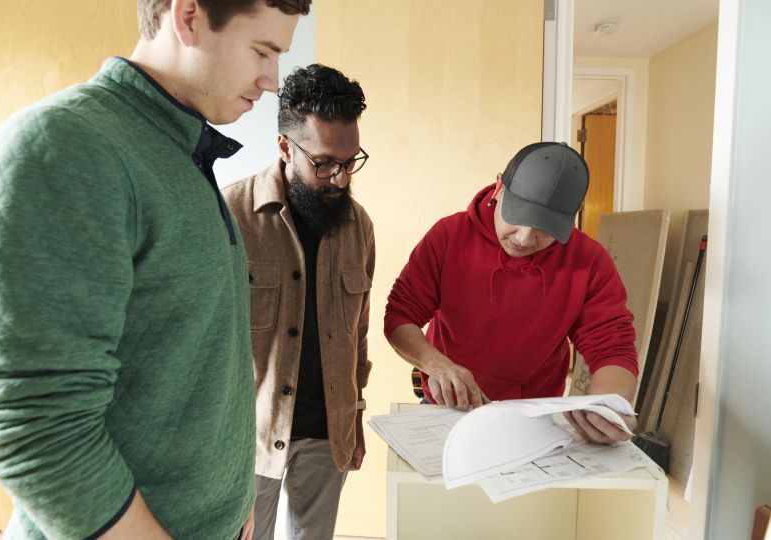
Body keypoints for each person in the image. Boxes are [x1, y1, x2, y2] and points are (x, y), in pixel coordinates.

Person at [0, 1, 310, 538]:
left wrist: (233, 502)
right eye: (262, 51)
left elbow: (188, 366)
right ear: (189, 16)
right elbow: (37, 430)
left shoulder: (176, 153)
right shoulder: (67, 149)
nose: (271, 80)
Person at [384, 142, 639, 444]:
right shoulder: (449, 236)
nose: (525, 238)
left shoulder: (590, 260)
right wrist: (436, 364)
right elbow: (400, 314)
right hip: (448, 409)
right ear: (499, 188)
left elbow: (613, 347)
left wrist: (608, 405)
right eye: (518, 217)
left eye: (546, 229)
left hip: (535, 419)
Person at [222, 63, 373, 540]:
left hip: (329, 433)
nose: (341, 179)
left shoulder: (359, 227)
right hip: (247, 437)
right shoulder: (229, 216)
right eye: (325, 162)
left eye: (350, 162)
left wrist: (356, 418)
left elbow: (359, 335)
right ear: (286, 147)